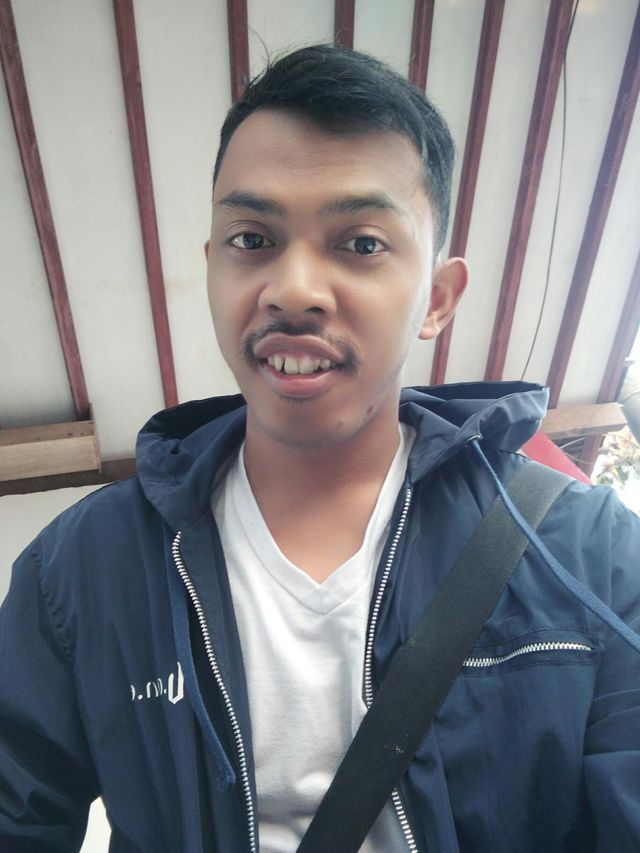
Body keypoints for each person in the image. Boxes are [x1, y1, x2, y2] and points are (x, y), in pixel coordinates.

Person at [1, 44, 639, 853]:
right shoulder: (84, 566)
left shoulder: (589, 556)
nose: (294, 289)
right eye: (252, 238)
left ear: (438, 298)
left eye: (361, 243)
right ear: (212, 269)